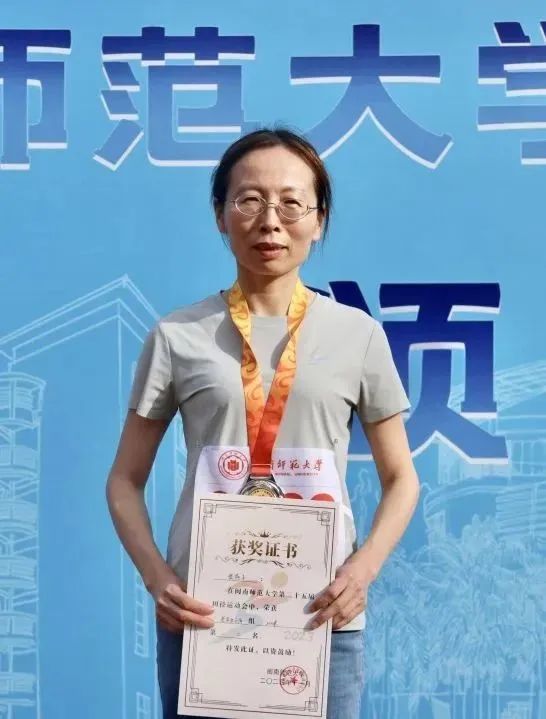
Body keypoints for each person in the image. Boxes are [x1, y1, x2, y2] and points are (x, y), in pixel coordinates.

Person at [106, 127, 420, 719]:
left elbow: (401, 478)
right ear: (220, 216)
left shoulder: (358, 335)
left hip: (321, 613)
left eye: (291, 203)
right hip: (204, 613)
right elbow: (124, 480)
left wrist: (362, 571)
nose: (270, 221)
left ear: (319, 220)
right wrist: (158, 579)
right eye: (249, 200)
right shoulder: (178, 336)